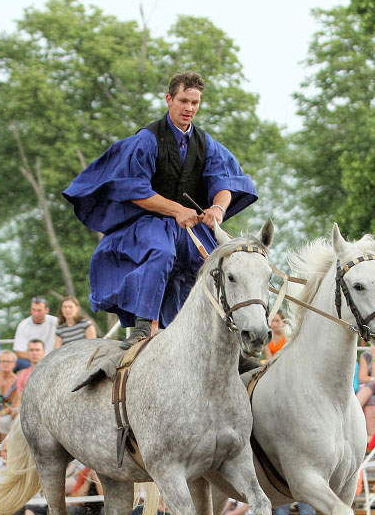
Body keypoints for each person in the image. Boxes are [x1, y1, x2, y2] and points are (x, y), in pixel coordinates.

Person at [63, 72, 258, 349]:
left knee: (220, 260)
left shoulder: (206, 142)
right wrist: (177, 209)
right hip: (148, 222)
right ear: (169, 100)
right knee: (162, 252)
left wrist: (218, 207)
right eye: (183, 101)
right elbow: (136, 189)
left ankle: (233, 333)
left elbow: (224, 182)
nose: (189, 108)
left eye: (195, 102)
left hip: (189, 227)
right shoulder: (147, 139)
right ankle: (143, 326)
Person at [12, 297, 57, 370]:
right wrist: (37, 358)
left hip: (52, 359)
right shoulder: (23, 325)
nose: (36, 314)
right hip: (30, 361)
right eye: (33, 310)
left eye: (39, 310)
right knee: (18, 363)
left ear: (46, 310)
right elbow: (19, 352)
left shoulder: (56, 322)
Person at [10, 339, 45, 416]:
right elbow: (19, 397)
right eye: (31, 350)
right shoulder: (22, 374)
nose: (34, 353)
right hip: (25, 412)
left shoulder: (51, 373)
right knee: (3, 422)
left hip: (45, 411)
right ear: (28, 353)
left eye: (37, 350)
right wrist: (15, 411)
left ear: (43, 352)